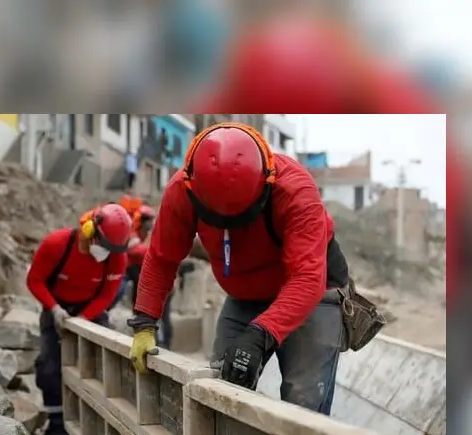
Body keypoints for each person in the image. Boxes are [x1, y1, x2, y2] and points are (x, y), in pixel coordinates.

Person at [127, 122, 350, 415]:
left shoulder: (296, 191)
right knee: (219, 388)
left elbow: (307, 278)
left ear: (265, 185)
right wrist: (145, 324)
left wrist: (260, 334)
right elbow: (161, 257)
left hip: (313, 294)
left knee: (303, 402)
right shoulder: (181, 188)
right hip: (246, 295)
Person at [26, 203, 131, 435]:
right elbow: (35, 280)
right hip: (57, 304)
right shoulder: (57, 245)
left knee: (108, 363)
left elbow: (107, 295)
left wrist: (83, 320)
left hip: (90, 309)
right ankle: (57, 426)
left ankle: (102, 422)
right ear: (89, 232)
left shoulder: (115, 258)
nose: (108, 253)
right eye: (104, 246)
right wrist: (54, 309)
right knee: (50, 366)